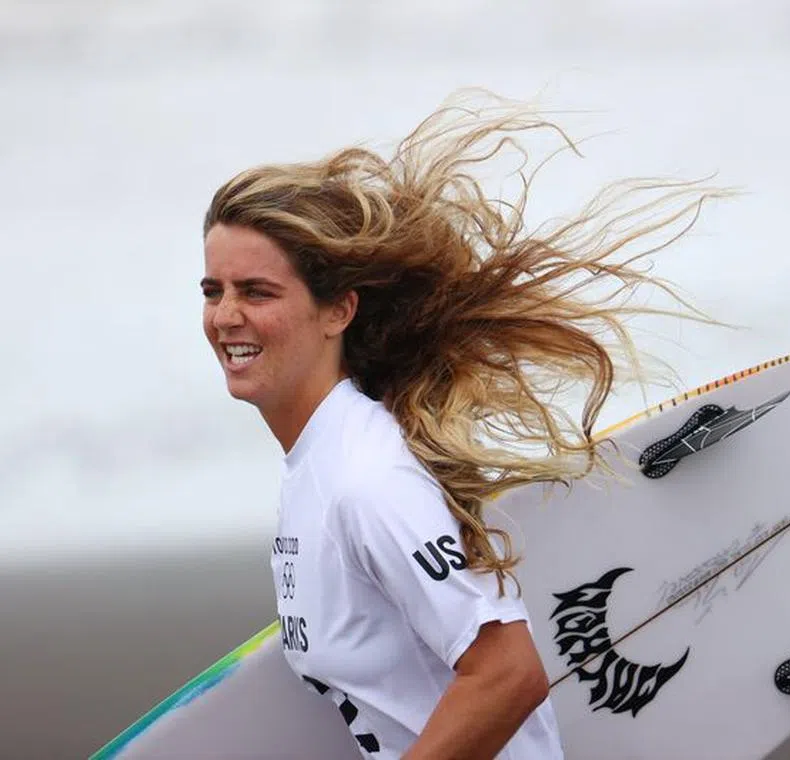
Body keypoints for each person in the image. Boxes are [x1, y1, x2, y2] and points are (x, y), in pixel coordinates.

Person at [199, 90, 728, 759]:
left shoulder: (367, 481)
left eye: (257, 292)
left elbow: (508, 674)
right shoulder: (319, 467)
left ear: (337, 312)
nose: (225, 317)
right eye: (213, 291)